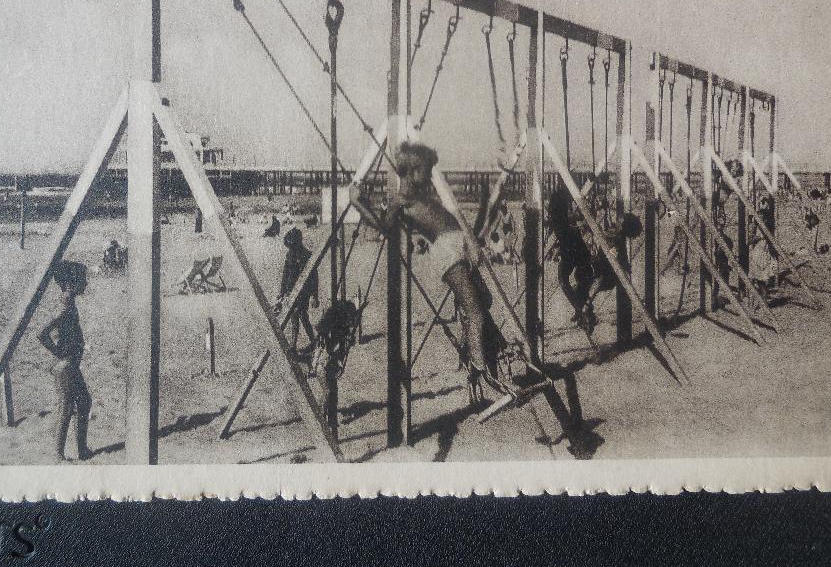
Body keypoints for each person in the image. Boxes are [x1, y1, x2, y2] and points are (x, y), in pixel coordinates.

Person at [349, 141, 509, 399]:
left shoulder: (420, 195)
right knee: (476, 313)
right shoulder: (401, 200)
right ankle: (481, 369)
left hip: (458, 247)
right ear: (413, 172)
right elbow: (384, 227)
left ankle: (477, 361)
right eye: (427, 171)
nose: (431, 176)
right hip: (447, 253)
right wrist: (358, 203)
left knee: (484, 303)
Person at [548, 188, 642, 333]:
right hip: (599, 269)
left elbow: (612, 256)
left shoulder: (616, 241)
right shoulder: (614, 236)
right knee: (579, 286)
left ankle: (585, 309)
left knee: (582, 284)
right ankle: (584, 312)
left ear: (622, 227)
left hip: (604, 274)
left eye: (619, 222)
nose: (615, 222)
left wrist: (606, 253)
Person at [38, 260, 93, 462]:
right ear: (70, 284)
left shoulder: (70, 303)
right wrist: (58, 353)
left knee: (84, 402)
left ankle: (82, 450)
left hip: (71, 365)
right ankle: (58, 454)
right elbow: (42, 334)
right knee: (66, 407)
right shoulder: (64, 307)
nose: (86, 283)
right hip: (65, 366)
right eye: (83, 280)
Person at [274, 227, 320, 353]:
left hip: (303, 291)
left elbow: (314, 277)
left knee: (301, 315)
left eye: (292, 246)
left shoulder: (307, 256)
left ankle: (310, 342)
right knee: (295, 316)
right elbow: (285, 274)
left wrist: (314, 295)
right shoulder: (290, 255)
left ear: (297, 243)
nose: (290, 248)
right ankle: (300, 344)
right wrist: (282, 291)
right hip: (291, 291)